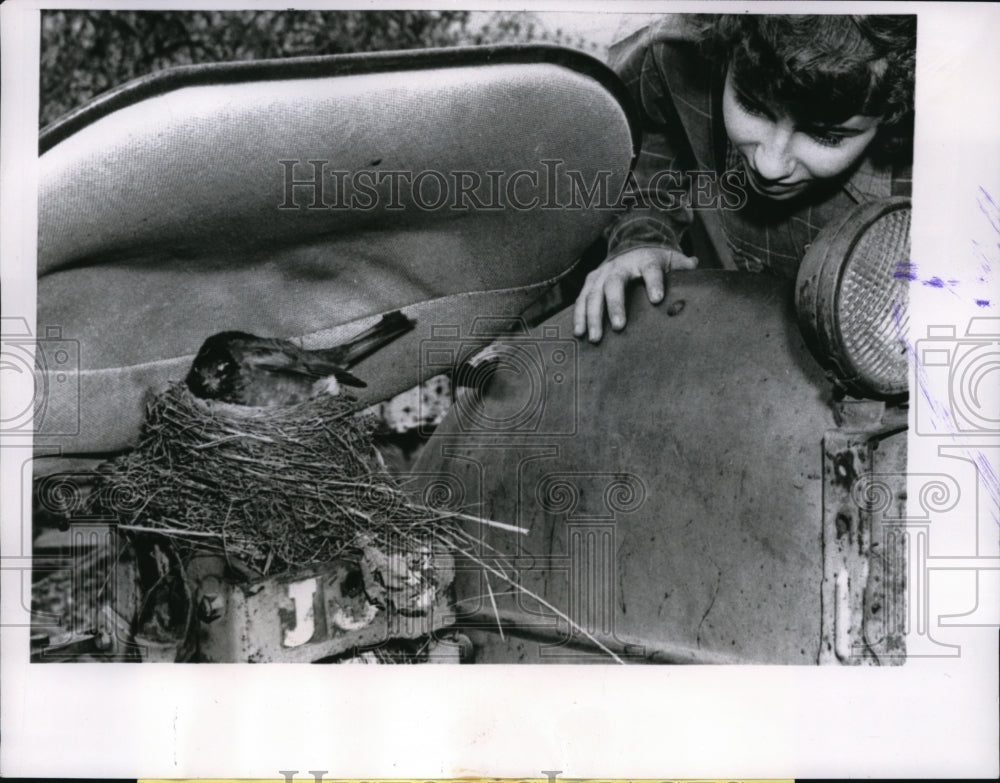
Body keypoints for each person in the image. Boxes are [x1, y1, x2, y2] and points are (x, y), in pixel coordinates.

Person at [573, 14, 916, 343]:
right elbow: (638, 129)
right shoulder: (677, 52)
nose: (770, 166)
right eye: (752, 107)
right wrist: (644, 234)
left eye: (825, 136)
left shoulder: (940, 172)